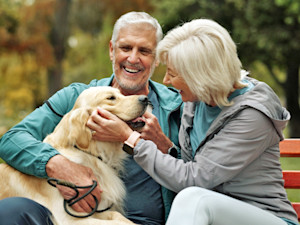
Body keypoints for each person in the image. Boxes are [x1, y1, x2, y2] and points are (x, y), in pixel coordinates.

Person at [87, 19, 299, 225]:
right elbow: (195, 168)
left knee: (195, 199)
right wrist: (165, 146)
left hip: (263, 216)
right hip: (209, 216)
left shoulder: (253, 116)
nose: (166, 81)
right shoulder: (196, 100)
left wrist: (129, 138)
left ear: (200, 76)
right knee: (196, 200)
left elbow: (195, 180)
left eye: (172, 73)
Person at [0, 12, 182, 225]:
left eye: (144, 51)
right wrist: (58, 165)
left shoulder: (179, 107)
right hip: (78, 218)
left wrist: (165, 146)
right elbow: (12, 140)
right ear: (112, 50)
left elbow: (204, 176)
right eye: (125, 48)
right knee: (11, 210)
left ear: (157, 58)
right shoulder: (78, 98)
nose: (133, 58)